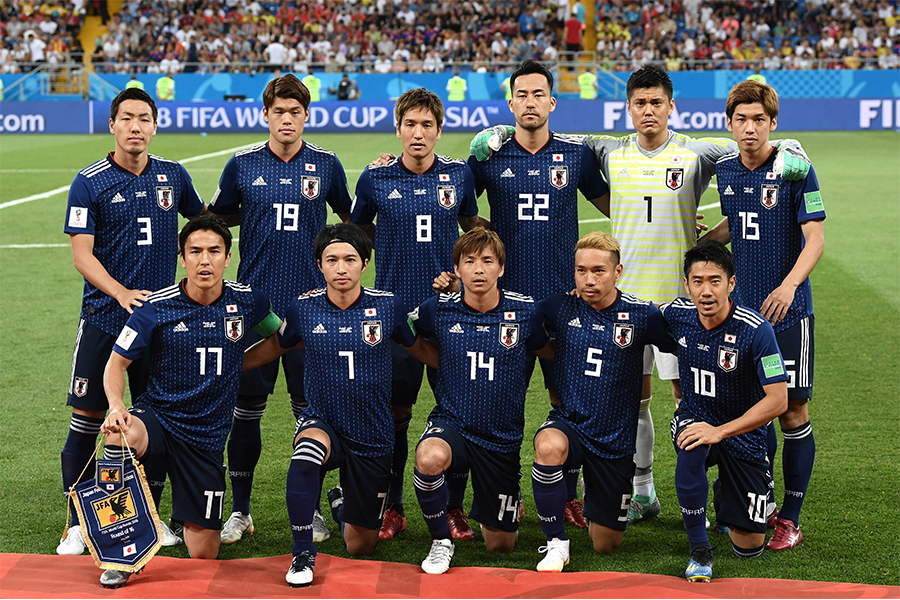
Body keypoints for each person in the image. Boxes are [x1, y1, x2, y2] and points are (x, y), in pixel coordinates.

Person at [470, 63, 810, 526]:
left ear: (672, 107)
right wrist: (499, 132)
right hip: (621, 302)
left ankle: (736, 489)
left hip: (681, 304)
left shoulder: (698, 153)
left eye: (656, 103)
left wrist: (794, 147)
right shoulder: (608, 152)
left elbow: (753, 142)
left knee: (692, 398)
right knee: (631, 400)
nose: (648, 111)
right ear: (627, 108)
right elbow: (554, 138)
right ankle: (642, 489)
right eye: (639, 103)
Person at [242, 223, 433, 588]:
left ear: (365, 263)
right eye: (332, 260)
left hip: (372, 431)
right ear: (320, 265)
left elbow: (419, 349)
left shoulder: (388, 306)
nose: (341, 268)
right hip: (323, 419)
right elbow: (275, 347)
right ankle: (302, 553)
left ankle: (340, 504)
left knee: (360, 545)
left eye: (349, 259)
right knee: (305, 456)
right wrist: (231, 365)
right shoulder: (303, 307)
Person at [58, 87, 205, 557]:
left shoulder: (173, 175)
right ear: (113, 125)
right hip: (104, 317)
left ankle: (151, 515)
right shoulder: (90, 181)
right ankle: (78, 521)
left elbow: (206, 222)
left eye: (145, 118)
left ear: (155, 125)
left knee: (152, 420)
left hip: (160, 325)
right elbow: (82, 255)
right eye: (127, 118)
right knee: (89, 416)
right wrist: (121, 293)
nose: (136, 126)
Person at [208, 73, 352, 546]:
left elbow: (353, 219)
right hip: (252, 310)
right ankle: (241, 510)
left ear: (306, 116)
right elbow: (216, 218)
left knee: (309, 414)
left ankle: (310, 510)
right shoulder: (242, 164)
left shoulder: (327, 165)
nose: (286, 119)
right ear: (265, 115)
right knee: (245, 411)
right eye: (279, 111)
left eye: (295, 112)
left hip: (313, 311)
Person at [98, 216, 280, 588]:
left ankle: (183, 512)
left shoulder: (249, 301)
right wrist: (117, 406)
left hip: (207, 439)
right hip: (160, 418)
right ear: (182, 258)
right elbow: (116, 364)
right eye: (195, 251)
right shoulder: (155, 307)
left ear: (228, 257)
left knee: (204, 552)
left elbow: (278, 337)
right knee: (119, 437)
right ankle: (120, 548)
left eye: (214, 251)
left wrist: (238, 362)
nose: (204, 260)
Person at [466, 59, 610, 528]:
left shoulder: (576, 156)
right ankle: (498, 495)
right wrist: (486, 246)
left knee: (564, 401)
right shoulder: (488, 158)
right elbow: (462, 208)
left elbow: (614, 207)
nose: (530, 102)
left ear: (552, 102)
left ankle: (566, 493)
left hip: (561, 303)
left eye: (538, 95)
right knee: (494, 401)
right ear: (510, 104)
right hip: (504, 305)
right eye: (521, 95)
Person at [350, 87, 485, 542]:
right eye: (411, 124)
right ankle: (391, 507)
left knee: (461, 412)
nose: (419, 132)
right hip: (393, 318)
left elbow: (472, 231)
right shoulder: (374, 179)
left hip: (449, 315)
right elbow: (356, 242)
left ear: (439, 130)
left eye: (428, 124)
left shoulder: (459, 176)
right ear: (398, 128)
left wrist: (460, 277)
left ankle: (453, 509)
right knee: (395, 413)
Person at [702, 80, 824, 551]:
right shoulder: (727, 169)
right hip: (743, 318)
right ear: (729, 124)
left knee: (792, 411)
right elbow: (738, 220)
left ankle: (790, 517)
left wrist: (789, 286)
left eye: (759, 120)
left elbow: (814, 238)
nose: (749, 128)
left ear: (773, 123)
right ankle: (753, 500)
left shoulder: (796, 168)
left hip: (790, 315)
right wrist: (707, 242)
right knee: (746, 412)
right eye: (741, 120)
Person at [531, 231, 677, 572]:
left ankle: (592, 492)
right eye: (581, 270)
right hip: (570, 422)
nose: (588, 279)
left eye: (598, 270)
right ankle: (556, 542)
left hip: (614, 439)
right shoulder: (559, 306)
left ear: (618, 271)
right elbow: (515, 317)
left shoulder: (642, 315)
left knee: (606, 545)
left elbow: (680, 343)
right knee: (548, 446)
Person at [412, 228, 553, 574]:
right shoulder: (436, 310)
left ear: (500, 269)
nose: (478, 269)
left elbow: (546, 351)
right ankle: (440, 539)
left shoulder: (526, 312)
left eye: (487, 261)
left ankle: (507, 494)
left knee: (501, 545)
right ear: (457, 269)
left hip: (500, 437)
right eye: (469, 261)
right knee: (430, 457)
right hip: (453, 422)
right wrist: (444, 359)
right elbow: (409, 335)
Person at [662, 240, 788, 582]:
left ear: (731, 283)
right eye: (698, 281)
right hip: (695, 417)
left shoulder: (756, 329)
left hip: (741, 432)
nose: (706, 290)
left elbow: (778, 400)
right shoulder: (676, 314)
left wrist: (721, 431)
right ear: (686, 284)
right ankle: (700, 551)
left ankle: (732, 488)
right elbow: (633, 314)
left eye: (715, 280)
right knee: (692, 443)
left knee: (749, 546)